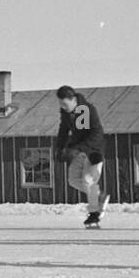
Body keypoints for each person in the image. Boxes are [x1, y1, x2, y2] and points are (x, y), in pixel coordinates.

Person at [54, 87, 107, 227]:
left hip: (93, 151)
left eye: (65, 104)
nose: (63, 107)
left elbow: (97, 134)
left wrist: (79, 148)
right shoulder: (66, 113)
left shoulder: (87, 110)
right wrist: (59, 149)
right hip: (78, 151)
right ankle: (99, 195)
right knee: (73, 180)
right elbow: (63, 131)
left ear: (74, 100)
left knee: (88, 181)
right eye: (61, 104)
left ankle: (94, 215)